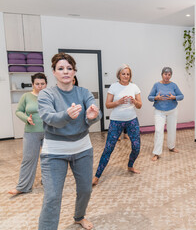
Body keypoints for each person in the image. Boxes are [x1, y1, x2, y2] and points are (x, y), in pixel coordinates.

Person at [37, 53, 101, 230]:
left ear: (74, 71)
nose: (65, 71)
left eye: (69, 68)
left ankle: (79, 216)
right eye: (61, 68)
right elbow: (49, 117)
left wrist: (93, 115)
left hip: (82, 149)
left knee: (86, 190)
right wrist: (66, 115)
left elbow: (95, 111)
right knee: (52, 196)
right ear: (54, 72)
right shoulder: (46, 94)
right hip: (54, 152)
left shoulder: (83, 92)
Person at [92, 64, 142, 186]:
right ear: (119, 75)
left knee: (136, 147)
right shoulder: (114, 87)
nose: (125, 76)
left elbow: (140, 105)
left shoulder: (134, 87)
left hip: (132, 120)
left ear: (130, 76)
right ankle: (97, 175)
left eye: (128, 74)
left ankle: (130, 166)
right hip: (116, 121)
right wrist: (118, 102)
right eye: (123, 73)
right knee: (109, 148)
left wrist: (134, 101)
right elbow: (107, 105)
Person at [8, 73, 47, 195]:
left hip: (49, 133)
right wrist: (26, 118)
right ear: (33, 84)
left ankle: (47, 182)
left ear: (46, 84)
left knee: (49, 159)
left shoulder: (50, 95)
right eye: (37, 84)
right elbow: (18, 111)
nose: (40, 86)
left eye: (42, 84)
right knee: (28, 159)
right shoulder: (26, 96)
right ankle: (23, 186)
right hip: (31, 133)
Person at [148, 67, 184, 161]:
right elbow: (149, 97)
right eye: (165, 74)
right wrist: (156, 98)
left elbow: (181, 96)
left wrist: (174, 97)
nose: (167, 76)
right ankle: (156, 153)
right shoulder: (156, 85)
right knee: (159, 130)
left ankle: (171, 147)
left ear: (171, 75)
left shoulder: (174, 85)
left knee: (172, 129)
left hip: (172, 110)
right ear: (162, 74)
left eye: (169, 75)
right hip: (159, 111)